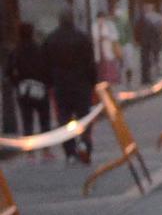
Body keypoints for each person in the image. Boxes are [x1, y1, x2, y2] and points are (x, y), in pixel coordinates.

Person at [43, 10, 97, 164]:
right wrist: (93, 82)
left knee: (64, 118)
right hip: (81, 84)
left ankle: (69, 151)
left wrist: (50, 83)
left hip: (61, 86)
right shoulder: (82, 38)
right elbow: (90, 63)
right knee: (84, 118)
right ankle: (85, 145)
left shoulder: (51, 39)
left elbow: (46, 65)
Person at [8, 24, 55, 164]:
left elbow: (9, 71)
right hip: (41, 88)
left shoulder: (16, 51)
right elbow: (48, 68)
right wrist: (48, 85)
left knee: (27, 121)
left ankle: (30, 153)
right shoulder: (40, 49)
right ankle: (46, 151)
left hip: (24, 90)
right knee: (44, 121)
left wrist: (17, 83)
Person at [93, 9, 124, 88]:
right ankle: (102, 81)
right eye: (99, 18)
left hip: (108, 49)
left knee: (109, 65)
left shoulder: (109, 25)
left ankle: (110, 81)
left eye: (102, 18)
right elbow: (94, 37)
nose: (101, 20)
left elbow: (115, 36)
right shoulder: (94, 26)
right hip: (99, 51)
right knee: (100, 66)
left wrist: (107, 37)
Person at [134, 5, 162, 84]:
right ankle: (147, 76)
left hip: (151, 42)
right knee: (147, 60)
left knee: (151, 58)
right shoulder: (141, 19)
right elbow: (137, 31)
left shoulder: (151, 18)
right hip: (146, 42)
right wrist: (138, 40)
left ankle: (151, 74)